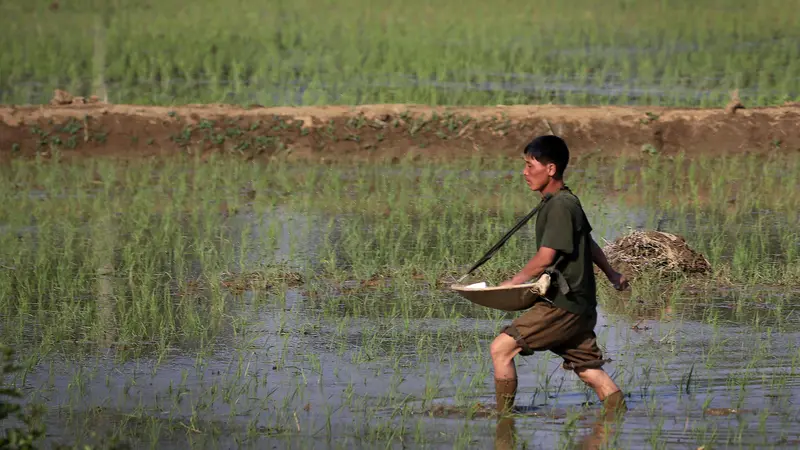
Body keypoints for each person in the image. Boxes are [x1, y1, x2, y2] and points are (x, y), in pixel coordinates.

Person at [491, 135, 629, 418]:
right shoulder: (562, 201)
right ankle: (617, 424)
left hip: (563, 305)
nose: (524, 172)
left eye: (530, 165)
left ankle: (503, 421)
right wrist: (612, 273)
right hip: (579, 305)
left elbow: (546, 257)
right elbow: (586, 243)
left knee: (501, 348)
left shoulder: (561, 205)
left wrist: (513, 282)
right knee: (590, 372)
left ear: (550, 169)